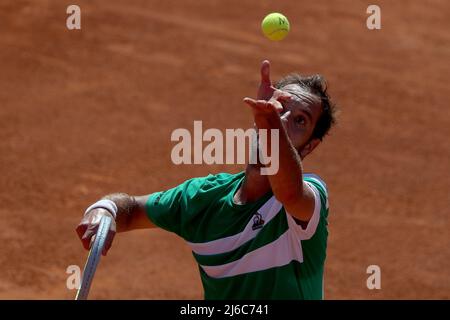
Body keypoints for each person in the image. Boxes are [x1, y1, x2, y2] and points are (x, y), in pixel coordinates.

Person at [76, 60, 337, 299]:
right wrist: (105, 209)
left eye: (300, 120)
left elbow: (289, 193)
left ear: (308, 147)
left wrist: (271, 125)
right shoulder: (203, 199)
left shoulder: (309, 199)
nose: (282, 120)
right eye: (279, 108)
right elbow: (131, 210)